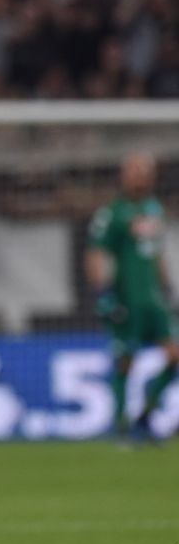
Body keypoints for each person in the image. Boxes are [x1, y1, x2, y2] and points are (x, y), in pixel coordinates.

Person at [86, 151, 179, 440]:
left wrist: (167, 287)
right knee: (126, 360)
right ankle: (121, 424)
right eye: (134, 170)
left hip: (154, 299)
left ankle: (147, 413)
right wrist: (103, 293)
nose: (140, 176)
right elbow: (96, 253)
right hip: (127, 297)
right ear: (124, 176)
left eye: (144, 170)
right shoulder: (112, 213)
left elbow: (157, 253)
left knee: (175, 355)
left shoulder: (155, 210)